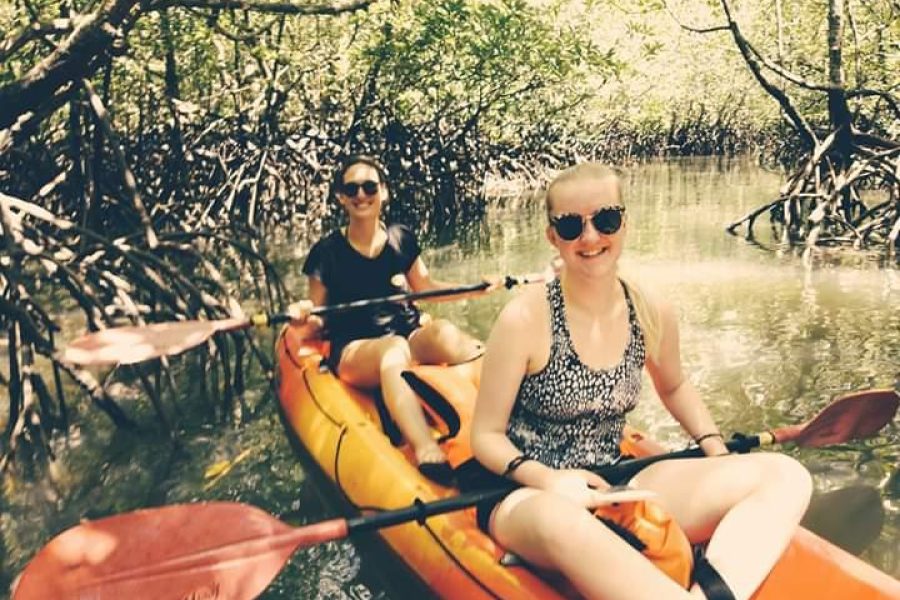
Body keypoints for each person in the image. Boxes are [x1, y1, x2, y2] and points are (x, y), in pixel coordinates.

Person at [470, 163, 813, 600]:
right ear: (553, 236)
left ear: (625, 223)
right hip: (526, 491)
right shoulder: (524, 317)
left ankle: (710, 593)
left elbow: (674, 386)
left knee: (786, 476)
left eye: (605, 219)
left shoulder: (649, 309)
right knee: (565, 522)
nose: (591, 237)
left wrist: (713, 447)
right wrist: (550, 481)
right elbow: (486, 435)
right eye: (571, 225)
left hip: (614, 478)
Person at [291, 154, 499, 483]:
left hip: (408, 335)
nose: (362, 195)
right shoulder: (326, 252)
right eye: (352, 188)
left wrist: (474, 291)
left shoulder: (400, 238)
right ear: (342, 197)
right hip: (357, 349)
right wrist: (301, 319)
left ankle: (518, 408)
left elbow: (426, 289)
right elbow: (317, 320)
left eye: (369, 186)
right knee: (393, 350)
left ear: (383, 192)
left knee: (443, 332)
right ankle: (425, 447)